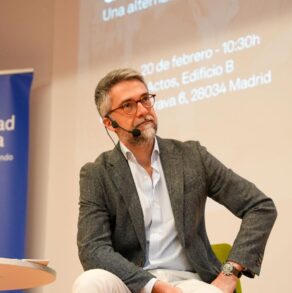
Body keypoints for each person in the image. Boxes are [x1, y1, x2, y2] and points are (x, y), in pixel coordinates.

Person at [73, 68, 277, 293]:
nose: (142, 110)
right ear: (109, 123)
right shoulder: (97, 173)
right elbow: (93, 248)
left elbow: (260, 207)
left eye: (145, 99)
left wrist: (230, 272)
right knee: (89, 282)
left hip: (189, 281)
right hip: (131, 282)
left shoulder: (192, 157)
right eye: (128, 105)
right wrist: (153, 286)